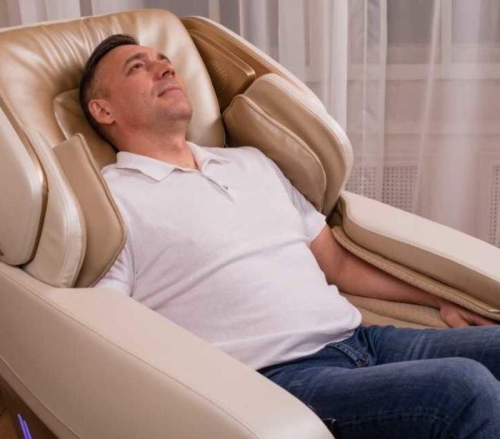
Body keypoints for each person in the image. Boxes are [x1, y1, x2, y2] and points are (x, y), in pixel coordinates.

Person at [80, 34, 500, 438]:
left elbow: (338, 264)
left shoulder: (250, 162)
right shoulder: (110, 201)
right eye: (138, 67)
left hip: (362, 340)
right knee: (463, 389)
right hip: (279, 380)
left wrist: (439, 299)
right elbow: (108, 329)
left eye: (164, 60)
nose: (165, 68)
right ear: (103, 110)